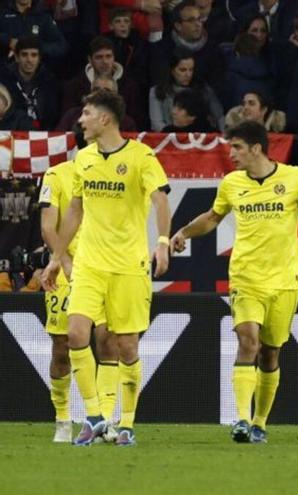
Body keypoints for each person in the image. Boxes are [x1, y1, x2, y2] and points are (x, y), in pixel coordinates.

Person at [170, 120, 298, 443]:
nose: (231, 154)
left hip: (284, 281)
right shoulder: (231, 184)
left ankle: (259, 422)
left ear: (256, 148)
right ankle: (240, 419)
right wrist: (184, 232)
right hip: (245, 276)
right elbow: (213, 218)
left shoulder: (294, 179)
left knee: (269, 354)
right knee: (247, 341)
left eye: (237, 147)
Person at [41, 89, 172, 447]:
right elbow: (75, 210)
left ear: (105, 119)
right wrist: (56, 257)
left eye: (85, 113)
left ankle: (126, 422)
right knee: (76, 334)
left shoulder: (142, 157)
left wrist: (162, 242)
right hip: (89, 264)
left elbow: (160, 198)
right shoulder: (83, 159)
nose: (79, 120)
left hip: (128, 265)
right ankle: (96, 416)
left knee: (126, 345)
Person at [39, 147, 121, 444]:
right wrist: (64, 262)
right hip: (64, 269)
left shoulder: (111, 176)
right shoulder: (56, 174)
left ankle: (104, 420)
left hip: (105, 268)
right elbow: (48, 226)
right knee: (63, 345)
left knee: (109, 338)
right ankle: (62, 418)